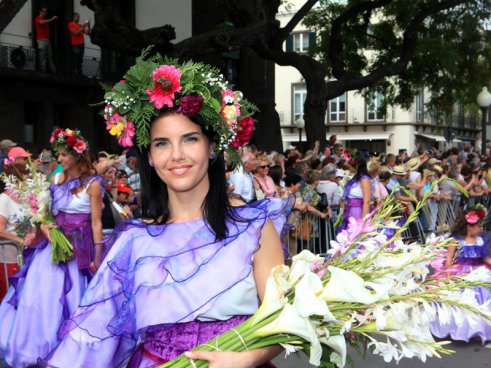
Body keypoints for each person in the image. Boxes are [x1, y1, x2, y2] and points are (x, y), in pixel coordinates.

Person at [44, 55, 292, 367]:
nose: (176, 156)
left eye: (190, 139)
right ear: (148, 155)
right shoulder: (133, 239)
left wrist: (245, 359)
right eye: (161, 143)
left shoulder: (253, 227)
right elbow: (92, 338)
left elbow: (284, 319)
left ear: (212, 147)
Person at [0, 128, 104, 367]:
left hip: (80, 247)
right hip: (52, 248)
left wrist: (98, 256)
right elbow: (44, 215)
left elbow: (97, 223)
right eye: (58, 155)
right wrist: (50, 231)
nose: (58, 160)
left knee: (76, 302)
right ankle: (38, 352)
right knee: (39, 301)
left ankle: (72, 356)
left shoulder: (94, 185)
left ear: (77, 155)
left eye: (63, 155)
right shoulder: (55, 180)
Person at [431, 206, 491, 343]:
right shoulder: (456, 240)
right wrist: (449, 278)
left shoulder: (480, 241)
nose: (480, 229)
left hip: (479, 273)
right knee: (464, 301)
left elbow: (485, 259)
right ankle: (461, 330)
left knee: (482, 301)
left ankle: (478, 329)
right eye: (478, 226)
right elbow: (449, 260)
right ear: (469, 227)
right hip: (461, 274)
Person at [0, 164, 39, 301]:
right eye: (26, 179)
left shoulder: (28, 198)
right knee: (9, 296)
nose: (29, 183)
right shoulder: (4, 200)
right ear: (15, 181)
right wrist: (20, 241)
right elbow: (0, 229)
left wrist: (32, 234)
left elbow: (35, 219)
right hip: (9, 259)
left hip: (27, 255)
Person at [338, 157, 372, 232]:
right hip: (350, 210)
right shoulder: (355, 178)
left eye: (350, 165)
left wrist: (364, 222)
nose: (349, 167)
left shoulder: (365, 180)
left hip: (358, 211)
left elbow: (367, 201)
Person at [34, 7, 57, 73]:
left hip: (47, 40)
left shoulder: (44, 19)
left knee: (50, 56)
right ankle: (43, 71)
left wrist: (54, 19)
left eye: (46, 11)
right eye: (44, 11)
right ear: (40, 11)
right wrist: (52, 19)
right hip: (41, 40)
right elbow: (41, 22)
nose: (45, 12)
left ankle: (53, 71)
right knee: (42, 56)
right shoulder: (37, 18)